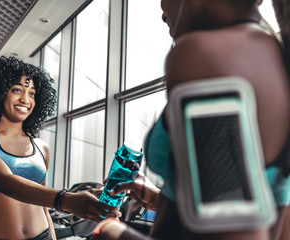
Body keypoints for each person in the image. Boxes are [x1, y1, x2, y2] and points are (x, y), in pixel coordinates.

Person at [91, 0, 290, 239]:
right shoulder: (273, 53)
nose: (162, 11)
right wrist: (163, 196)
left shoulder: (204, 56)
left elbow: (236, 232)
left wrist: (112, 233)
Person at [0, 56, 120, 240]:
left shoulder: (41, 147)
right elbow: (5, 182)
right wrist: (67, 200)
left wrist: (52, 234)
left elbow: (43, 206)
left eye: (32, 93)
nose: (25, 99)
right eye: (17, 90)